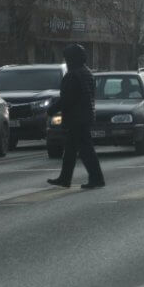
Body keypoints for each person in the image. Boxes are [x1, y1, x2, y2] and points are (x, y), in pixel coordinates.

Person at [47, 44, 106, 190]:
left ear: (72, 58)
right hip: (85, 116)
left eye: (67, 58)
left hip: (76, 118)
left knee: (86, 151)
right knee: (71, 150)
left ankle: (96, 178)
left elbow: (67, 98)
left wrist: (52, 109)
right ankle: (65, 178)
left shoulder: (73, 75)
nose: (66, 61)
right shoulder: (86, 72)